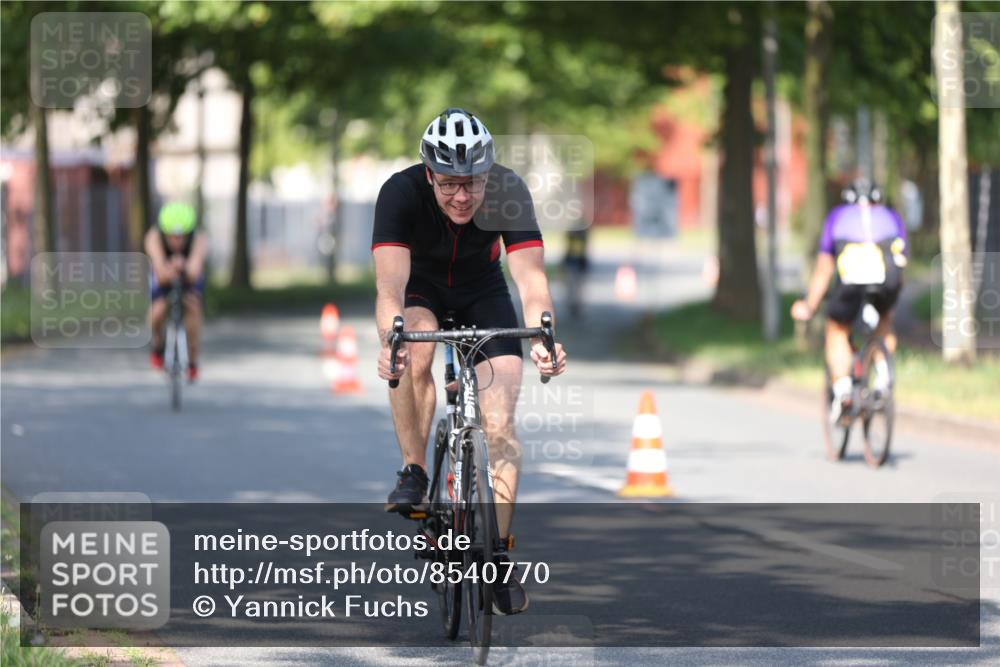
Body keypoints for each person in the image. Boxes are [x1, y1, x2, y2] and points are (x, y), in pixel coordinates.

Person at [372, 108, 567, 615]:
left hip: (483, 292)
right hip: (422, 288)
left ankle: (497, 556)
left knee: (499, 420)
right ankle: (414, 470)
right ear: (429, 175)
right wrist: (391, 340)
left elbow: (531, 279)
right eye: (450, 184)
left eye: (473, 183)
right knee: (414, 350)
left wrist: (544, 336)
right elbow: (389, 287)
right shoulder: (400, 192)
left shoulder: (507, 188)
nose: (463, 196)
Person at [791, 179, 908, 421]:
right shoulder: (891, 216)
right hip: (887, 281)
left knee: (837, 330)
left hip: (852, 281)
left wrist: (810, 306)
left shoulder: (838, 216)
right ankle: (883, 379)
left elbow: (824, 267)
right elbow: (901, 263)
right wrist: (890, 305)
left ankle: (843, 389)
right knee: (884, 323)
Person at [145, 202, 208, 381]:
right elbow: (160, 272)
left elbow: (194, 271)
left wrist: (184, 268)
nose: (177, 241)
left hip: (188, 276)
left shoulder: (199, 239)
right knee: (157, 310)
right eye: (172, 237)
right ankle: (157, 345)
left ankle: (192, 358)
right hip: (163, 275)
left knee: (193, 307)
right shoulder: (153, 237)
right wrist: (169, 269)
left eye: (182, 237)